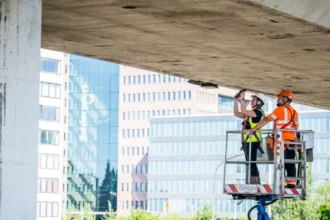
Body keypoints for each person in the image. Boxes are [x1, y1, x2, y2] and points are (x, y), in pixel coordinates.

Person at [250, 90, 298, 188]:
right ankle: (291, 184)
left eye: (280, 98)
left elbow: (267, 119)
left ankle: (279, 183)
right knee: (290, 163)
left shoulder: (280, 110)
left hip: (281, 141)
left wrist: (254, 128)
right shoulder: (294, 112)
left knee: (280, 164)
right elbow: (295, 128)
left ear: (285, 99)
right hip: (291, 141)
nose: (278, 99)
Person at [234, 89, 268, 184]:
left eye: (254, 99)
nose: (252, 101)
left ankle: (255, 181)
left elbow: (244, 111)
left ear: (259, 102)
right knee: (250, 162)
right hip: (247, 141)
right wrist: (236, 100)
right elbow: (236, 113)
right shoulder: (251, 114)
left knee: (251, 162)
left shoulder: (258, 112)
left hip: (253, 141)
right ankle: (254, 180)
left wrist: (242, 98)